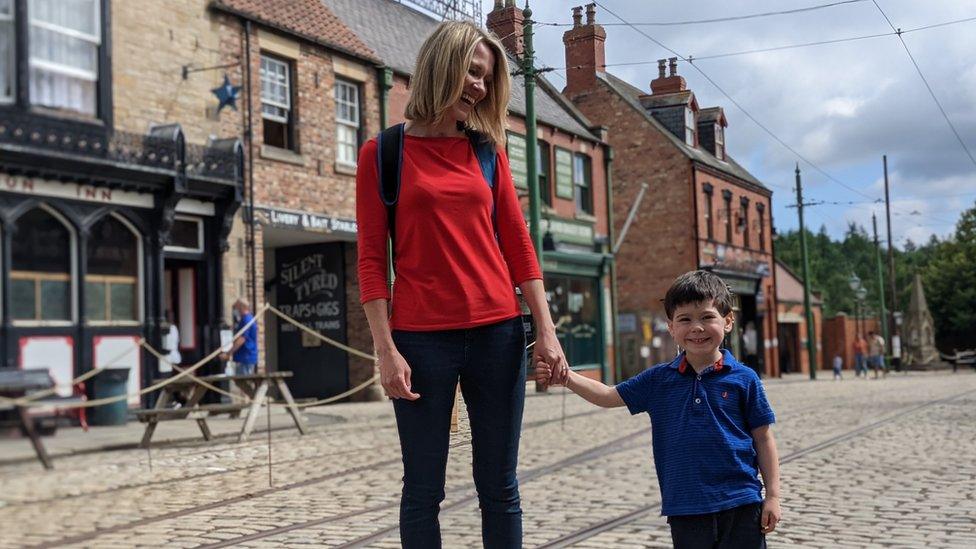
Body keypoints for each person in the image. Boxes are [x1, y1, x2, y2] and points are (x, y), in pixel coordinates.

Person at [355, 21, 568, 549]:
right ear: (441, 67)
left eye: (486, 78)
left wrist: (545, 329)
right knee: (422, 491)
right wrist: (385, 350)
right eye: (472, 72)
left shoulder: (487, 152)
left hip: (498, 334)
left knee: (500, 487)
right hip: (420, 340)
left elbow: (519, 247)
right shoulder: (381, 154)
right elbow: (369, 262)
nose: (478, 86)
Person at [537, 271, 782, 548]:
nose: (696, 327)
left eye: (707, 317)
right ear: (671, 327)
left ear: (727, 322)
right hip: (685, 507)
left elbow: (763, 438)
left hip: (741, 501)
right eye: (685, 319)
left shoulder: (744, 378)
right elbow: (608, 396)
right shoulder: (659, 380)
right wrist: (567, 377)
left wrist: (772, 496)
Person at [219, 298, 258, 376]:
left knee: (242, 381)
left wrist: (228, 353)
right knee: (241, 382)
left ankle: (260, 388)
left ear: (242, 307)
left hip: (245, 357)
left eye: (236, 307)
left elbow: (242, 339)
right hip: (244, 356)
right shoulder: (245, 319)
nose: (235, 310)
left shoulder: (246, 320)